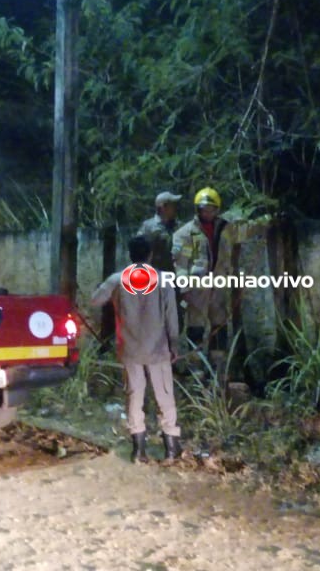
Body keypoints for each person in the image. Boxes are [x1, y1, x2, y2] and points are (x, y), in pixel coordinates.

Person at [90, 235, 182, 464]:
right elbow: (172, 316)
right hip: (158, 349)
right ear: (150, 255)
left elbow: (94, 300)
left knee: (134, 395)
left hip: (130, 349)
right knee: (164, 395)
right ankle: (171, 449)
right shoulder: (162, 280)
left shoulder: (117, 279)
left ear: (130, 255)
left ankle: (138, 451)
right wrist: (175, 343)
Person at [171, 187, 230, 354]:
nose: (208, 213)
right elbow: (180, 264)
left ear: (217, 209)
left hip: (219, 286)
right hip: (196, 288)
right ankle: (196, 367)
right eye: (204, 209)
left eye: (211, 209)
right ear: (198, 209)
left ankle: (217, 367)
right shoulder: (184, 234)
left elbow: (246, 231)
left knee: (220, 326)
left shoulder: (226, 229)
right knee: (196, 327)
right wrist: (184, 288)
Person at [137, 191, 182, 273]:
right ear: (163, 208)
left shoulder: (179, 226)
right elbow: (139, 252)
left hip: (176, 275)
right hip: (155, 275)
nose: (176, 207)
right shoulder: (148, 227)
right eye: (172, 205)